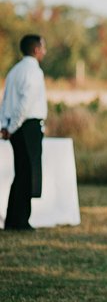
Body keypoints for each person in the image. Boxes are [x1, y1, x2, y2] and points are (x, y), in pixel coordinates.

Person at [1, 34, 48, 230]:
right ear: (36, 49)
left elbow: (5, 101)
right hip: (26, 126)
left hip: (16, 126)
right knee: (28, 173)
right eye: (43, 47)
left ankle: (14, 218)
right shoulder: (33, 72)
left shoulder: (14, 71)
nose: (45, 51)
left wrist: (5, 124)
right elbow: (25, 104)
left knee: (21, 173)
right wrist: (12, 127)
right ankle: (20, 220)